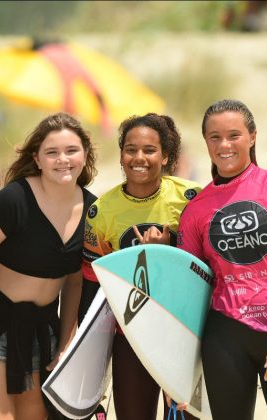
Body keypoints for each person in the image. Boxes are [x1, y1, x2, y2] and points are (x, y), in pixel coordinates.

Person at [176, 99, 267, 419]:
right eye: (214, 137)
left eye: (234, 135)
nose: (224, 145)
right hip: (224, 339)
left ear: (252, 136)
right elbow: (187, 291)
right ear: (205, 141)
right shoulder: (195, 210)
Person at [0, 112, 97, 420]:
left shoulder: (94, 209)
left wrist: (67, 341)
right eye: (51, 152)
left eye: (71, 151)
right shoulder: (13, 200)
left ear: (85, 155)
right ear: (38, 159)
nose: (62, 160)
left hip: (44, 330)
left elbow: (74, 282)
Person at [79, 113, 202, 420]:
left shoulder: (190, 198)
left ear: (166, 156)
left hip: (184, 331)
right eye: (130, 149)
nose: (139, 158)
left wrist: (168, 248)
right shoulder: (101, 211)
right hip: (131, 334)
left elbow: (207, 265)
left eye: (149, 150)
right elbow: (92, 285)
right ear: (121, 154)